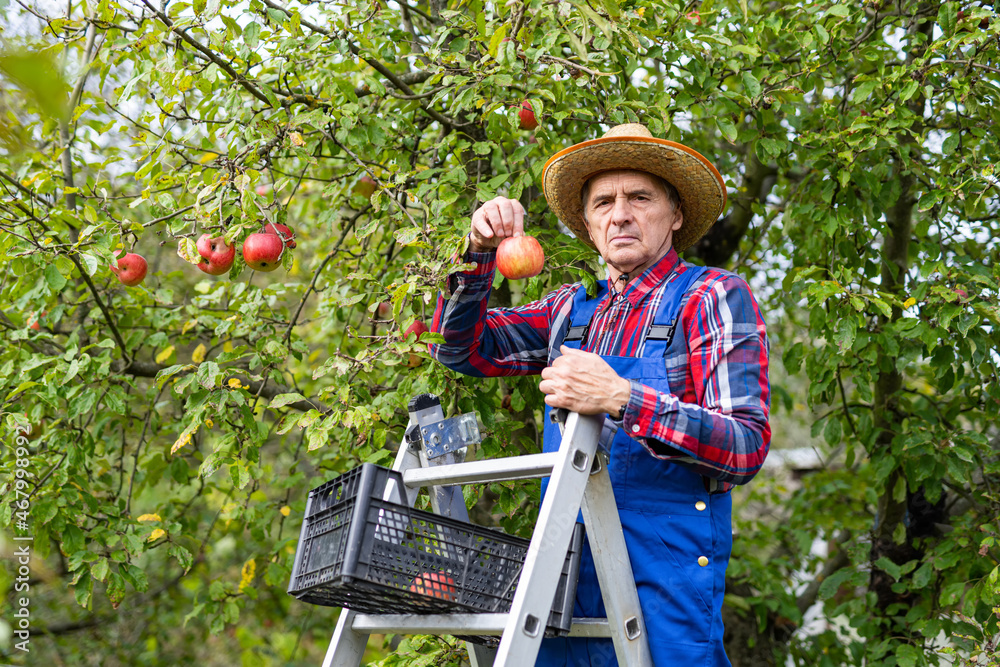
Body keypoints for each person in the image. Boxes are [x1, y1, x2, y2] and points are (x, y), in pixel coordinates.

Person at [429, 123, 771, 666]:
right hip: (563, 574)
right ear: (588, 226)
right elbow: (460, 351)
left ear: (675, 215)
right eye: (603, 202)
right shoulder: (569, 310)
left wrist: (623, 398)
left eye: (640, 197)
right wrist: (479, 253)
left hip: (662, 577)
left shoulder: (710, 296)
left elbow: (745, 446)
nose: (621, 214)